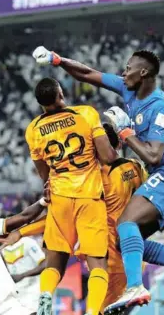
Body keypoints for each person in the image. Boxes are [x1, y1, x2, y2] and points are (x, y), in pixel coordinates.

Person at [32, 46, 164, 314]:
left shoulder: (163, 107)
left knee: (126, 222)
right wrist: (57, 59)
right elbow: (87, 73)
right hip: (162, 175)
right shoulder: (128, 88)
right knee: (128, 240)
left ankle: (135, 286)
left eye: (128, 68)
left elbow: (154, 156)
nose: (123, 71)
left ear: (143, 72)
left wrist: (125, 131)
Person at [0, 123, 147, 313]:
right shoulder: (135, 167)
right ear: (117, 145)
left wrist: (21, 232)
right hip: (135, 256)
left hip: (110, 258)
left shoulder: (92, 181)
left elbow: (57, 218)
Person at [25, 77, 118, 315]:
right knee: (97, 262)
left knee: (55, 259)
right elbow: (108, 157)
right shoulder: (85, 114)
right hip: (89, 197)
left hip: (59, 197)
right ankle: (92, 312)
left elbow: (44, 174)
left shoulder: (33, 129)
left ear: (40, 103)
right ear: (61, 95)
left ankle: (46, 295)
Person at [1, 236, 46, 314]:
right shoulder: (3, 250)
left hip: (34, 289)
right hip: (18, 293)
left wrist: (22, 275)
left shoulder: (27, 242)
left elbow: (44, 264)